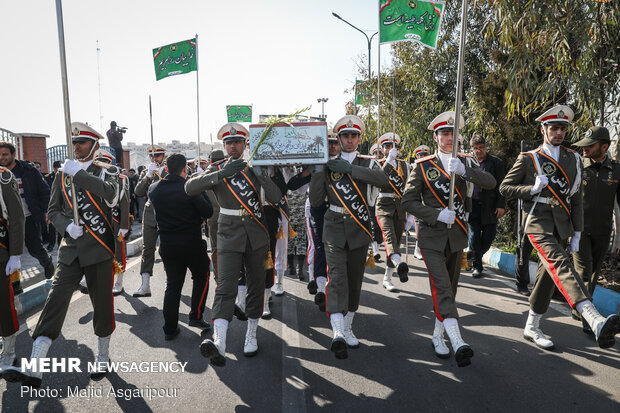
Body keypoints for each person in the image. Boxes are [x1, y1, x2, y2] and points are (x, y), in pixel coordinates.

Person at [3, 122, 119, 387]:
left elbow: (111, 196)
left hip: (99, 249)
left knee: (102, 305)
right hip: (70, 250)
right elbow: (53, 209)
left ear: (94, 145)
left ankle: (103, 356)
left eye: (83, 143)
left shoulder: (106, 172)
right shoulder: (62, 174)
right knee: (55, 301)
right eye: (74, 143)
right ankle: (36, 365)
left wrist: (80, 175)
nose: (77, 147)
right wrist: (65, 225)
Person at [500, 105, 619, 351]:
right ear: (543, 130)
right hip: (537, 222)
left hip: (562, 224)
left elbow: (575, 197)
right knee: (560, 263)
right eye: (554, 128)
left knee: (547, 277)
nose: (559, 133)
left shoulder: (573, 158)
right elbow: (505, 188)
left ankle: (532, 326)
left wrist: (577, 231)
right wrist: (530, 189)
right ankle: (593, 319)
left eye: (563, 128)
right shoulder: (529, 159)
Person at [402, 111, 496, 367]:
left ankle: (437, 335)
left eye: (453, 134)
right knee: (442, 287)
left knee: (449, 291)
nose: (449, 138)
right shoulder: (422, 166)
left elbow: (490, 182)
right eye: (444, 133)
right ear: (436, 137)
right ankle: (457, 341)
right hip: (431, 237)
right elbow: (408, 201)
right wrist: (435, 214)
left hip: (456, 237)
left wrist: (466, 171)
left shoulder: (465, 161)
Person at [185, 122, 282, 366]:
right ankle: (219, 342)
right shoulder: (216, 168)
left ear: (245, 143)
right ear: (224, 146)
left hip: (257, 234)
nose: (233, 146)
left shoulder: (254, 168)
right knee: (225, 286)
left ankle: (251, 333)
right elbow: (189, 187)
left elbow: (277, 198)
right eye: (229, 143)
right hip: (227, 235)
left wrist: (262, 177)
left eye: (237, 142)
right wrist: (220, 175)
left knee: (255, 286)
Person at [309, 115, 388, 359]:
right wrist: (318, 171)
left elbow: (385, 181)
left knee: (354, 281)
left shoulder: (368, 163)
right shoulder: (328, 163)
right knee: (337, 279)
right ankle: (338, 333)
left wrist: (351, 170)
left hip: (359, 228)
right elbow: (315, 200)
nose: (350, 140)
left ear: (359, 139)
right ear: (339, 138)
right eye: (345, 136)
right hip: (333, 227)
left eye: (354, 136)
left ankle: (349, 327)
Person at [149, 153, 213, 340]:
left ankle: (169, 328)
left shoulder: (154, 188)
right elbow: (207, 212)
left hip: (167, 245)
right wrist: (199, 190)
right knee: (202, 275)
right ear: (185, 169)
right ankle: (196, 316)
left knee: (173, 286)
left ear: (167, 168)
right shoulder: (189, 188)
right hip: (191, 243)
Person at [571, 126, 620, 334]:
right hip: (579, 230)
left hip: (602, 231)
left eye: (590, 146)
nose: (585, 149)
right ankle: (591, 321)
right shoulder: (577, 166)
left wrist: (617, 237)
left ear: (604, 147)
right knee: (583, 271)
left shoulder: (616, 170)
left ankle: (579, 306)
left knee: (592, 275)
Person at [0, 142, 54, 279]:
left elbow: (44, 191)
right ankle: (15, 283)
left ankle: (47, 262)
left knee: (35, 249)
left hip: (29, 217)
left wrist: (46, 210)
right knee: (10, 253)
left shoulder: (28, 170)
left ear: (13, 154)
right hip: (6, 221)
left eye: (5, 154)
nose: (2, 157)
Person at [375, 132, 412, 292]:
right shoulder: (378, 164)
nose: (389, 149)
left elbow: (410, 190)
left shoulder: (405, 165)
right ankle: (398, 262)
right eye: (386, 146)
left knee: (396, 241)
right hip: (383, 205)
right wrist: (388, 161)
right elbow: (378, 180)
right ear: (382, 149)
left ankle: (387, 278)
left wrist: (411, 215)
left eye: (392, 146)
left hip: (400, 206)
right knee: (389, 236)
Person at [467, 135, 506, 278]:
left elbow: (502, 186)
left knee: (489, 237)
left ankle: (473, 256)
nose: (478, 151)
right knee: (474, 236)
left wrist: (501, 205)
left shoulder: (496, 163)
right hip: (472, 206)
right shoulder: (468, 163)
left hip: (490, 207)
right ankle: (477, 266)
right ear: (472, 149)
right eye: (476, 148)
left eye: (481, 148)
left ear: (485, 147)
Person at [0, 167, 26, 374]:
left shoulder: (3, 178)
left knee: (2, 304)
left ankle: (9, 351)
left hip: (1, 252)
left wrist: (15, 254)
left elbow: (17, 217)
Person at [133, 145, 167, 298]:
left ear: (163, 156)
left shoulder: (169, 170)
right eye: (152, 156)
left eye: (158, 155)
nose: (155, 159)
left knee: (166, 248)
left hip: (167, 211)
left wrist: (162, 175)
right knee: (147, 249)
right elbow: (138, 192)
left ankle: (170, 280)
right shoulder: (146, 172)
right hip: (149, 212)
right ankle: (145, 284)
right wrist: (148, 176)